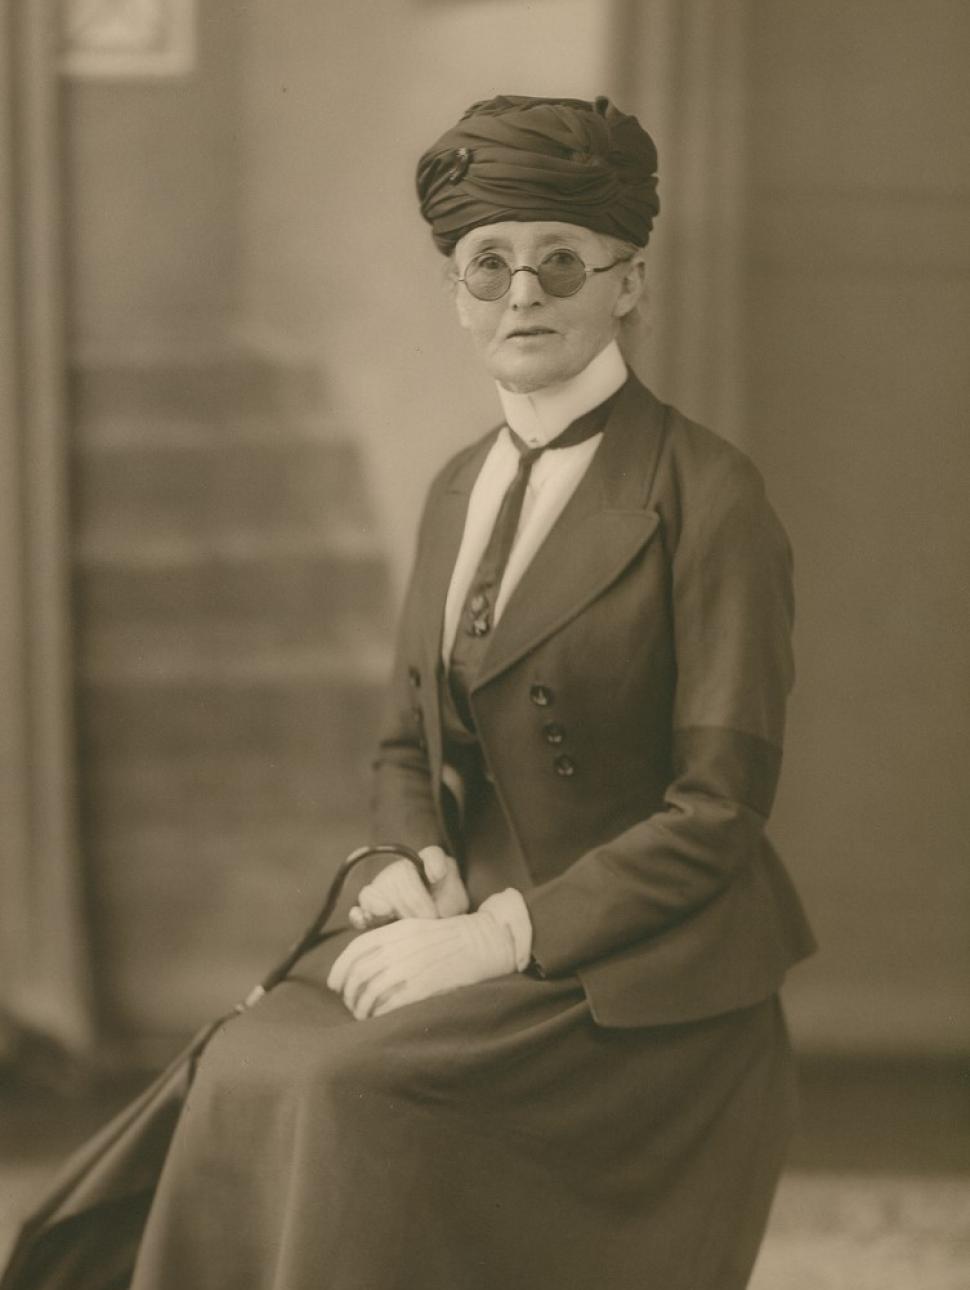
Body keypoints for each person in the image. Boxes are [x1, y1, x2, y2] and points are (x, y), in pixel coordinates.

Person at [128, 95, 815, 1290]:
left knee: (348, 1091)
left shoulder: (712, 496)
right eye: (486, 265)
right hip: (469, 911)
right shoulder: (457, 486)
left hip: (636, 968)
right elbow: (407, 738)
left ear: (628, 282)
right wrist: (405, 858)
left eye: (559, 262)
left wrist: (499, 938)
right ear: (455, 291)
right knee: (238, 1062)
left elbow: (718, 812)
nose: (521, 296)